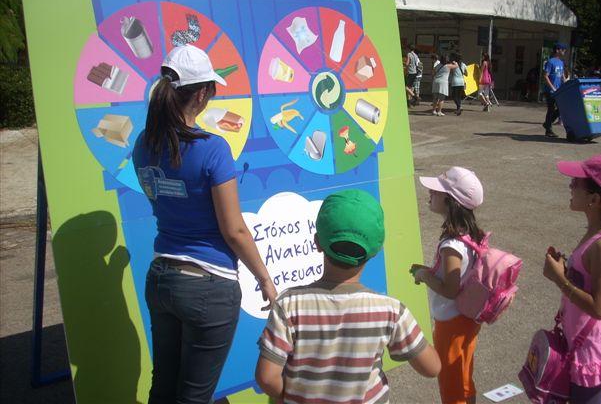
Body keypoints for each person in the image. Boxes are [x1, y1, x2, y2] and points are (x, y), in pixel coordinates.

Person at [133, 44, 277, 404]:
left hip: (161, 277)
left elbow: (160, 200)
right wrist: (265, 278)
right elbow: (234, 230)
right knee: (195, 396)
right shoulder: (213, 149)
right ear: (202, 93)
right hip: (207, 288)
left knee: (163, 387)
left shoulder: (143, 144)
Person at [255, 189, 441, 403]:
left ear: (317, 242)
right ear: (377, 249)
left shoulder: (287, 305)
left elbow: (267, 378)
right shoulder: (391, 311)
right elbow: (432, 368)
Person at [543, 155, 601, 403]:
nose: (570, 186)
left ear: (595, 200)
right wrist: (565, 271)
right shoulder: (593, 234)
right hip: (580, 339)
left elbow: (599, 307)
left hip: (591, 347)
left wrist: (560, 280)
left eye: (576, 182)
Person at [411, 167, 486, 404]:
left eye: (437, 190)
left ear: (450, 201)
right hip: (467, 319)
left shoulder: (451, 245)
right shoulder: (469, 236)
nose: (430, 193)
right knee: (464, 377)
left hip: (451, 323)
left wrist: (424, 275)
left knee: (451, 383)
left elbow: (451, 289)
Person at [542, 43, 568, 138]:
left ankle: (547, 123)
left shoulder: (561, 62)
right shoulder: (550, 62)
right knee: (551, 109)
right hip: (550, 91)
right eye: (563, 49)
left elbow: (561, 75)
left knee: (562, 108)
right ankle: (548, 130)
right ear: (557, 50)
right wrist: (552, 87)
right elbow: (545, 76)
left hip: (558, 90)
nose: (564, 51)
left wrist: (565, 83)